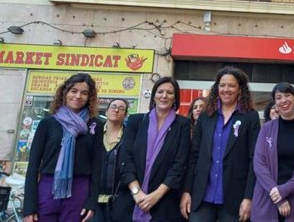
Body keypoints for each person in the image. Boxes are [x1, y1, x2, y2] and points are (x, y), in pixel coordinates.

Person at [181, 66, 261, 222]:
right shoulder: (205, 116)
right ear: (217, 88)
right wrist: (186, 190)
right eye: (222, 85)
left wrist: (249, 197)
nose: (226, 89)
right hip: (201, 196)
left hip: (234, 198)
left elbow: (254, 160)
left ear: (240, 89)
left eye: (231, 85)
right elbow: (194, 156)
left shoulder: (250, 117)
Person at [23, 73, 103, 222]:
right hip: (47, 187)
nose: (78, 96)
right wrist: (29, 206)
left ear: (89, 98)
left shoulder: (96, 125)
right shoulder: (47, 123)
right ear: (65, 93)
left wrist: (92, 202)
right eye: (74, 91)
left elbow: (97, 166)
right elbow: (33, 165)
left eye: (84, 93)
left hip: (79, 189)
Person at [114, 76, 191, 222]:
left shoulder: (183, 124)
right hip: (131, 199)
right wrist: (137, 192)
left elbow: (179, 164)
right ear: (154, 95)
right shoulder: (136, 121)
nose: (164, 96)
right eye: (160, 91)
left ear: (175, 98)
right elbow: (125, 156)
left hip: (165, 202)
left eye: (169, 92)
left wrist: (156, 195)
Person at [252, 82, 294, 221]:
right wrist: (278, 197)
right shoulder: (266, 129)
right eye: (278, 97)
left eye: (287, 95)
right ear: (275, 103)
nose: (283, 100)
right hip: (267, 197)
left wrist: (284, 190)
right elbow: (259, 164)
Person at [94, 98, 128, 222]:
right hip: (93, 199)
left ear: (125, 114)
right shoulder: (94, 133)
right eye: (113, 106)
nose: (116, 110)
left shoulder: (129, 136)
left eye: (121, 108)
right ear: (107, 111)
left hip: (118, 200)